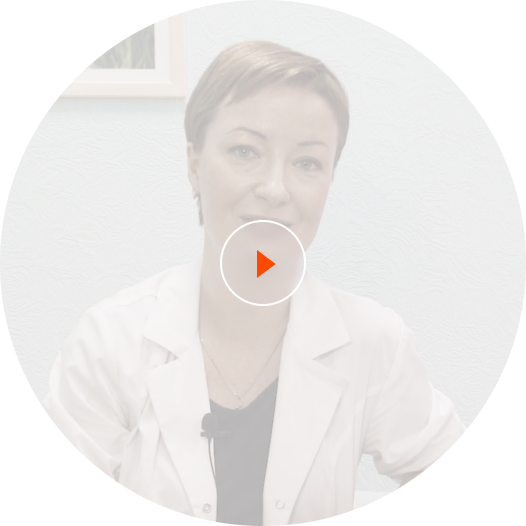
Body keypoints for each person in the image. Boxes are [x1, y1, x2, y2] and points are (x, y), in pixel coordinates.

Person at [43, 41, 465, 524]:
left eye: (307, 163)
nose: (275, 189)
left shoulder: (373, 342)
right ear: (194, 166)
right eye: (245, 151)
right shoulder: (109, 343)